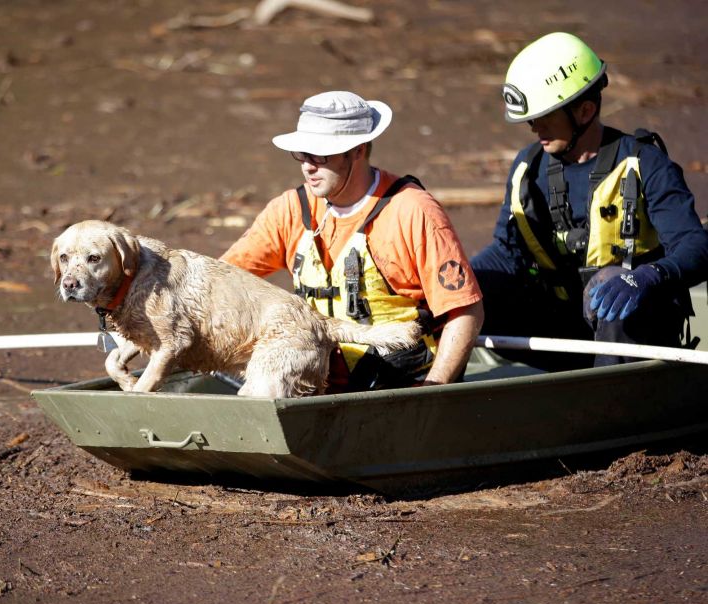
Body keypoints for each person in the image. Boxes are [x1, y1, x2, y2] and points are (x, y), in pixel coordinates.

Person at [472, 32, 708, 369]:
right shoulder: (528, 167)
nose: (533, 127)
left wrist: (647, 276)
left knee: (609, 288)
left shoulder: (645, 163)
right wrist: (458, 280)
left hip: (634, 326)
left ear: (584, 111)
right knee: (469, 293)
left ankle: (610, 406)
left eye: (544, 117)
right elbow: (506, 252)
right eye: (530, 118)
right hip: (563, 323)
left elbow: (696, 247)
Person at [221, 90, 484, 390]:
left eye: (319, 154)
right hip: (318, 384)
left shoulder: (413, 210)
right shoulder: (290, 210)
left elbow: (466, 311)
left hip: (400, 386)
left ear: (358, 150)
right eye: (302, 154)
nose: (307, 165)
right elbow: (221, 282)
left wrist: (434, 388)